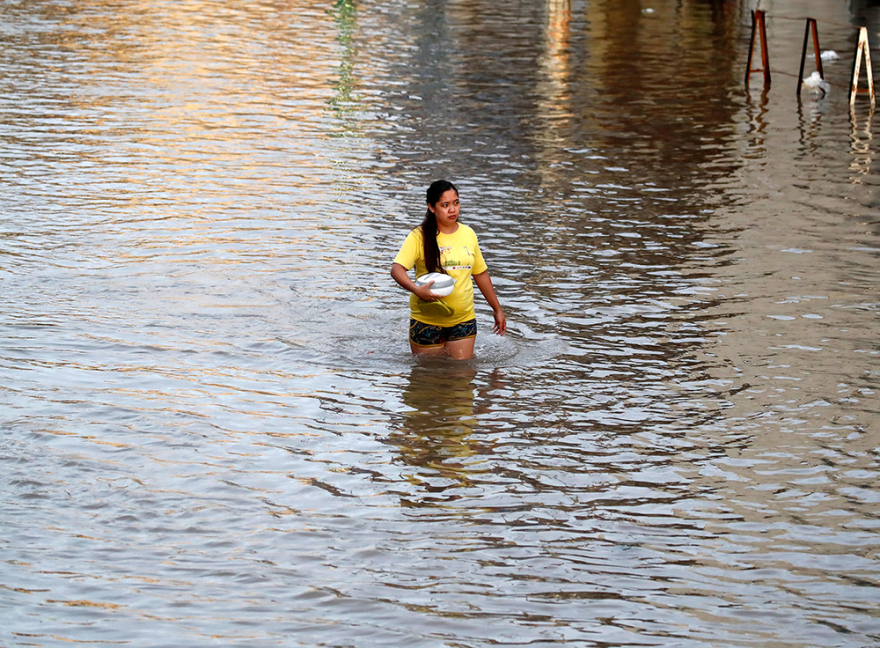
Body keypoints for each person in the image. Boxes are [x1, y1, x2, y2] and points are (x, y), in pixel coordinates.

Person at [391, 180, 506, 360]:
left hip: (463, 320)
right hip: (426, 321)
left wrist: (497, 309)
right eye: (445, 205)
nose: (452, 210)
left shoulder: (468, 234)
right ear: (432, 207)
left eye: (456, 203)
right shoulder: (418, 236)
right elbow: (397, 269)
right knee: (428, 379)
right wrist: (416, 289)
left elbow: (480, 273)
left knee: (462, 378)